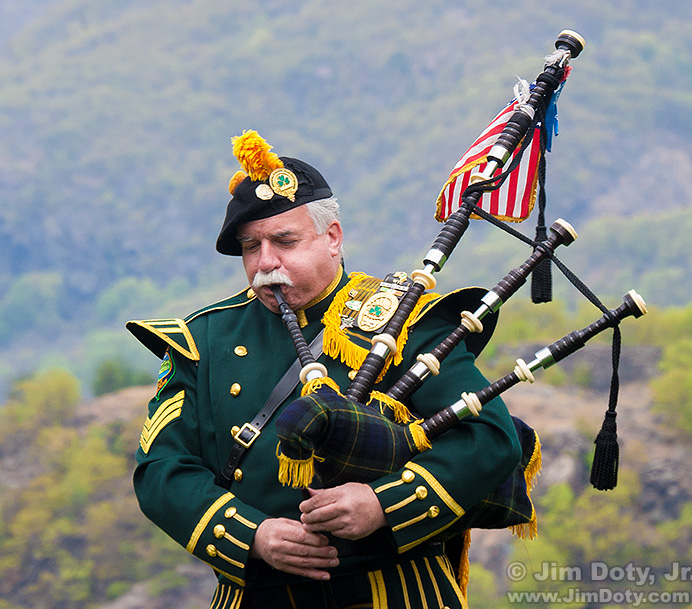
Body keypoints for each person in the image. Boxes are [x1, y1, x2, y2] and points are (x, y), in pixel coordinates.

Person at [127, 130, 522, 609]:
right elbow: (162, 469)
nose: (266, 262)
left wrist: (382, 505)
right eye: (251, 247)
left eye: (285, 240)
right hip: (257, 595)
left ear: (332, 237)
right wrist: (254, 535)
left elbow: (489, 436)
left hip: (393, 591)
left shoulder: (407, 316)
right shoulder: (203, 340)